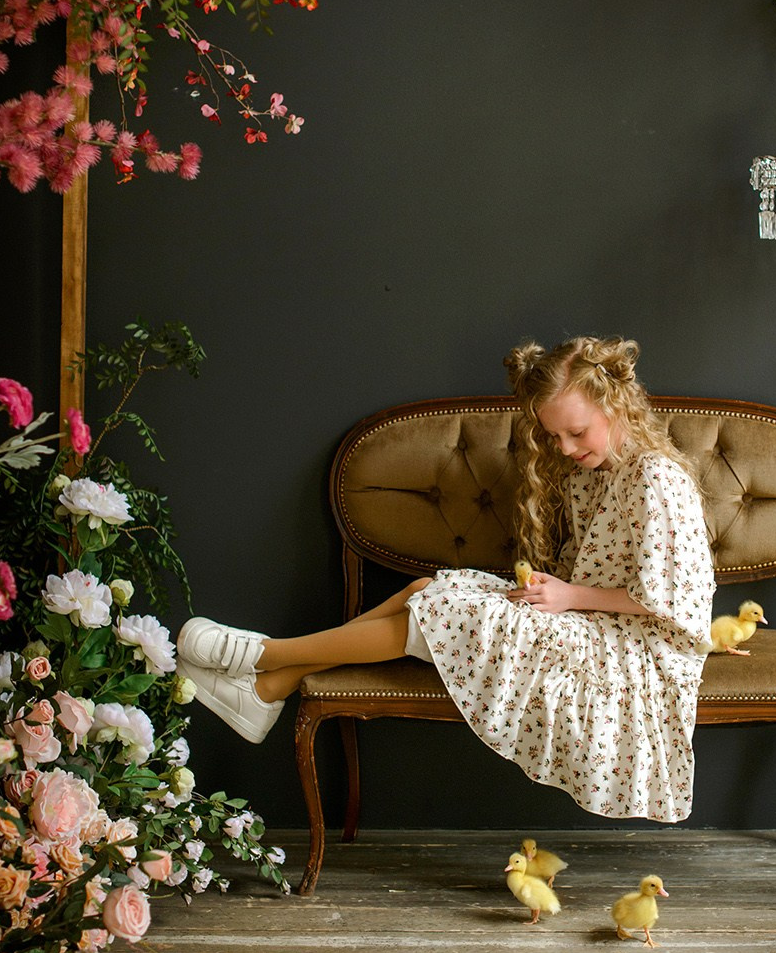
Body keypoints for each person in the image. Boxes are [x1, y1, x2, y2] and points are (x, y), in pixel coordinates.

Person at [178, 335, 716, 822]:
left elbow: (675, 604)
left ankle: (267, 660)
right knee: (431, 590)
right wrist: (557, 594)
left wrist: (570, 595)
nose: (567, 449)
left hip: (636, 654)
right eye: (554, 437)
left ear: (615, 404)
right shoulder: (594, 473)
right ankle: (269, 687)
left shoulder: (655, 476)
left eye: (576, 432)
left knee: (451, 610)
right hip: (594, 623)